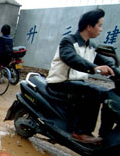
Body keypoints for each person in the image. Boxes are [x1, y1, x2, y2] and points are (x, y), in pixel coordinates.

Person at [46, 9, 114, 144]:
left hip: (77, 84)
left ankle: (105, 135)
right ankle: (80, 132)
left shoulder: (91, 46)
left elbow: (103, 60)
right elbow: (71, 58)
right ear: (89, 27)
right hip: (60, 83)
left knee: (110, 94)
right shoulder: (68, 41)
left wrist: (116, 69)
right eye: (99, 25)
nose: (101, 29)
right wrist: (94, 68)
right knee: (93, 91)